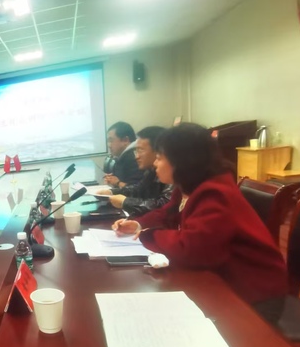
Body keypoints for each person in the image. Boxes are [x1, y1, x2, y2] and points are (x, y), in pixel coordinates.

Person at [113, 123, 288, 324]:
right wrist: (137, 224)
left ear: (181, 161)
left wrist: (149, 235)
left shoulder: (216, 194)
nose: (155, 164)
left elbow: (191, 248)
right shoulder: (189, 186)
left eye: (160, 158)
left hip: (254, 292)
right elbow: (167, 214)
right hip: (222, 278)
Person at [99, 126, 172, 217]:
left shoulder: (173, 175)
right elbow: (138, 189)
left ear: (158, 151)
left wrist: (125, 202)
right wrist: (112, 192)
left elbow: (164, 206)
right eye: (136, 151)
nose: (136, 156)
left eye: (140, 150)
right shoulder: (151, 171)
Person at [104, 121, 142, 188]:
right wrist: (112, 180)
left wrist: (117, 183)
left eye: (111, 140)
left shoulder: (133, 158)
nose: (109, 145)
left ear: (125, 140)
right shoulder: (124, 156)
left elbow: (137, 190)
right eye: (108, 141)